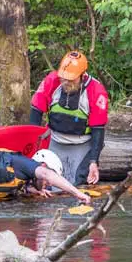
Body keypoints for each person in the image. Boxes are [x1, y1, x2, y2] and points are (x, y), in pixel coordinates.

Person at [30, 51, 109, 185]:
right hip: (55, 139)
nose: (65, 82)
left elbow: (98, 130)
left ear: (82, 76)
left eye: (71, 79)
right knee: (43, 182)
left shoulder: (96, 91)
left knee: (76, 183)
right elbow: (36, 111)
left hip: (82, 144)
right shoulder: (52, 80)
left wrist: (93, 162)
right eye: (63, 77)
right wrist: (33, 148)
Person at [0, 148, 91, 204]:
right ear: (43, 165)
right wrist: (77, 193)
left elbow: (13, 184)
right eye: (48, 182)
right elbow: (47, 175)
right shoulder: (26, 164)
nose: (48, 184)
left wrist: (35, 190)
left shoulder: (24, 179)